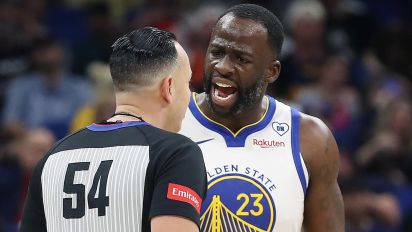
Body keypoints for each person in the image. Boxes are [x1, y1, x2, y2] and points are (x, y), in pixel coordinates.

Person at [20, 27, 207, 232]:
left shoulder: (52, 157)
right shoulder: (176, 153)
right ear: (168, 87)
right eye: (187, 83)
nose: (191, 96)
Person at [179, 4, 344, 231]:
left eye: (240, 59)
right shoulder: (167, 122)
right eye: (217, 53)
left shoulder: (311, 139)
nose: (223, 67)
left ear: (272, 71)